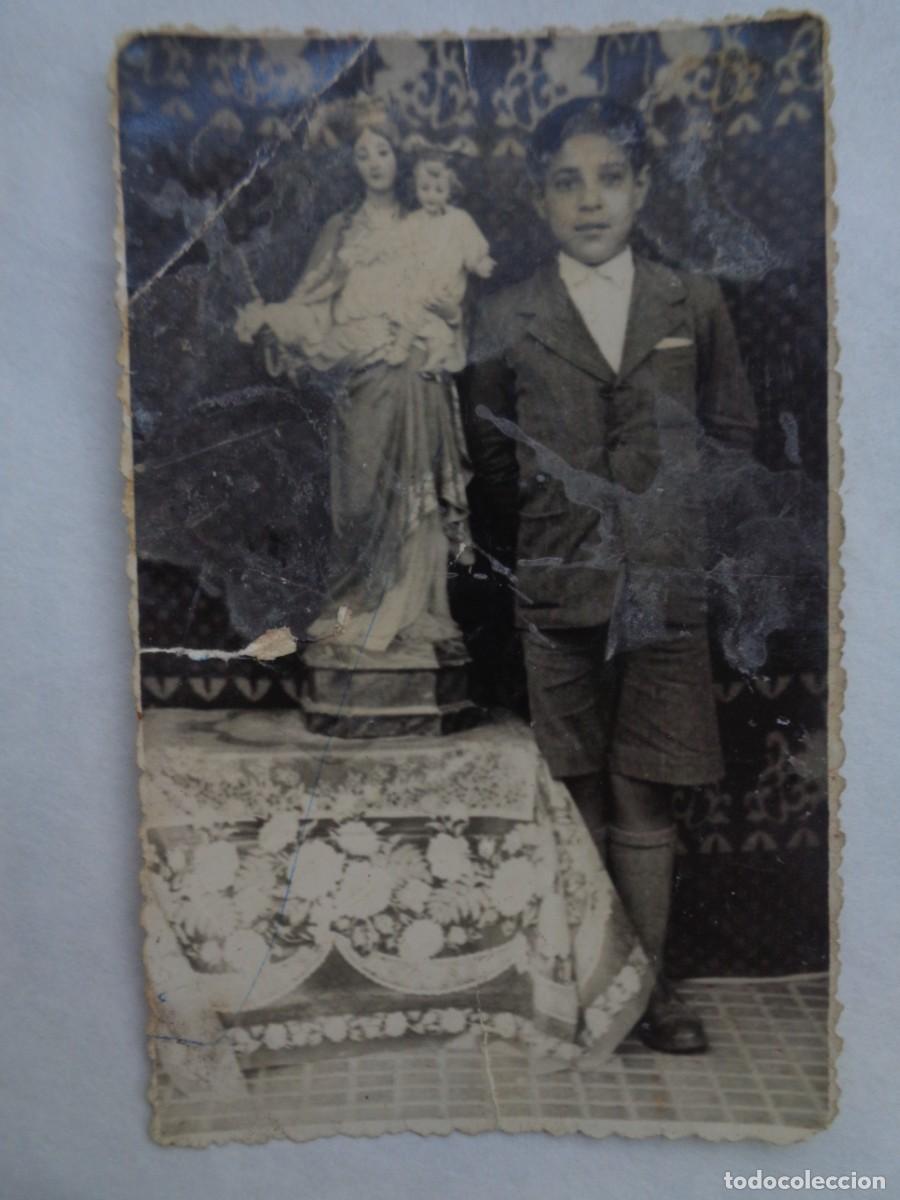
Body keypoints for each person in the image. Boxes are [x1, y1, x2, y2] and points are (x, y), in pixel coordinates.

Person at [461, 96, 758, 1054]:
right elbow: (491, 456)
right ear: (538, 198)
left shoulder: (692, 301)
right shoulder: (506, 315)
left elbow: (732, 433)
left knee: (646, 788)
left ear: (642, 188)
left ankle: (653, 992)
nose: (590, 201)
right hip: (559, 586)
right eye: (567, 182)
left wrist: (675, 529)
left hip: (665, 588)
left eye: (611, 179)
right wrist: (556, 533)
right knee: (577, 785)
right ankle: (597, 991)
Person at [235, 102, 474, 658]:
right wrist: (272, 317)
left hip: (415, 385)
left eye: (383, 151)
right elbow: (315, 309)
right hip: (361, 389)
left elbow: (452, 295)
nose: (374, 163)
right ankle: (354, 609)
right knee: (359, 505)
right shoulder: (340, 232)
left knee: (415, 504)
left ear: (399, 157)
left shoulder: (427, 224)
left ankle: (414, 613)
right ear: (351, 163)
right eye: (362, 154)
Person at [389, 150, 497, 374]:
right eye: (425, 188)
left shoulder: (459, 220)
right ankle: (424, 351)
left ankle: (411, 349)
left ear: (450, 191)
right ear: (416, 188)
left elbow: (471, 247)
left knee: (431, 312)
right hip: (417, 283)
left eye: (439, 190)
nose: (431, 195)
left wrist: (478, 263)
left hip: (445, 287)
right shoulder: (412, 221)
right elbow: (399, 249)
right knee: (416, 312)